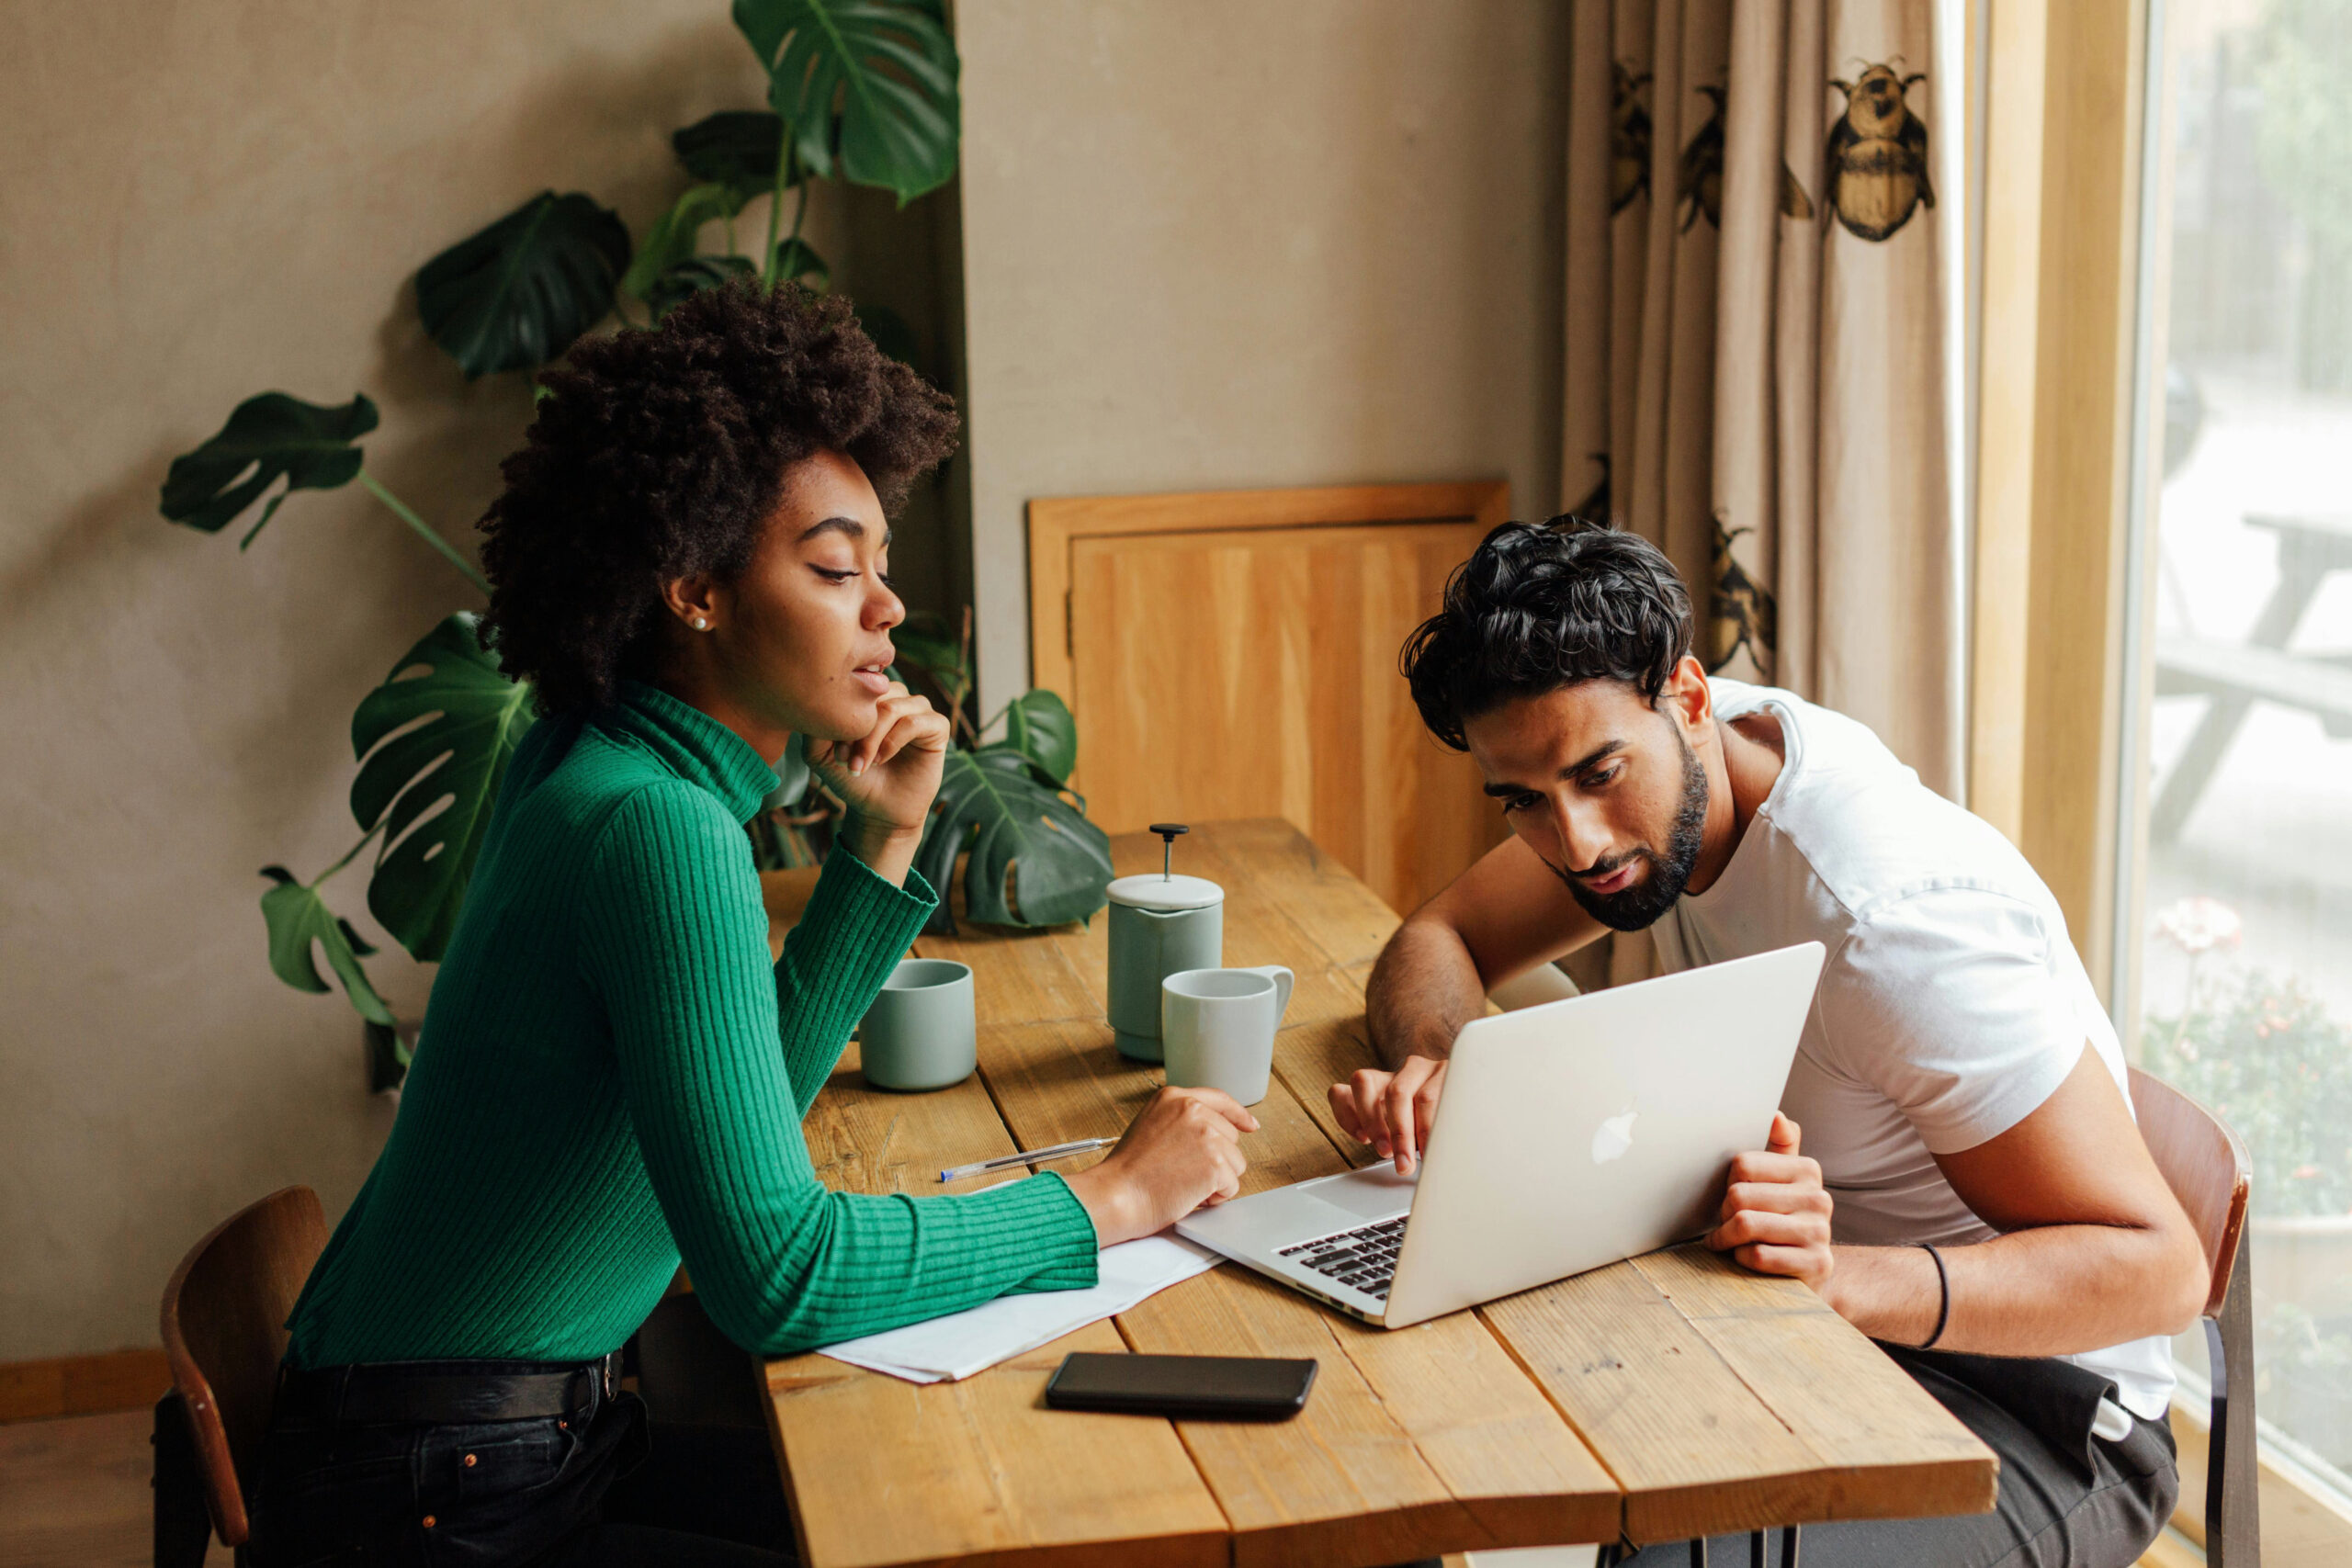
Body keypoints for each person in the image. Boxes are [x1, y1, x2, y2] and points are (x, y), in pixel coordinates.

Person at [246, 280, 1256, 1567]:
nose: (887, 606)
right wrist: (1111, 1193)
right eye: (837, 567)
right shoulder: (657, 827)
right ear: (694, 588)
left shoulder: (597, 761)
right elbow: (778, 1275)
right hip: (442, 1498)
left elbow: (744, 1108)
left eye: (881, 567)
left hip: (463, 1442)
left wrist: (884, 836)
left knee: (923, 1510)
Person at [1330, 518, 2209, 1567]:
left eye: (1597, 775)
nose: (1575, 844)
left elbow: (2159, 1270)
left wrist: (1837, 1278)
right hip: (1793, 1320)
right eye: (1523, 800)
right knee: (1394, 1427)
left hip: (2037, 1410)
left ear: (1690, 698)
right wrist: (1451, 1060)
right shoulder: (1684, 767)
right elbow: (1437, 937)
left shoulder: (1892, 922)